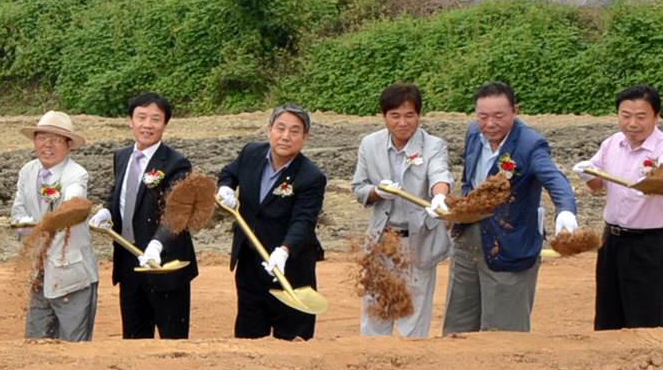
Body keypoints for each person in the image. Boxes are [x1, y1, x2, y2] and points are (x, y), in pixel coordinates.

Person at [445, 82, 578, 334]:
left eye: (499, 116)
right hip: (469, 237)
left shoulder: (530, 144)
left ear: (515, 111)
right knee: (458, 321)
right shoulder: (474, 133)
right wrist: (456, 207)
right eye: (483, 116)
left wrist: (566, 210)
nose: (490, 124)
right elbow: (469, 180)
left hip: (509, 240)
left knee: (503, 330)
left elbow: (554, 178)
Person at [576, 84, 663, 330]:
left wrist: (651, 183)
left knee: (645, 321)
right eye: (625, 116)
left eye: (641, 116)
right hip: (612, 242)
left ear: (656, 116)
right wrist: (585, 173)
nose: (632, 123)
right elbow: (597, 185)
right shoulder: (612, 143)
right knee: (608, 317)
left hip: (649, 245)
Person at [349, 84, 453, 339]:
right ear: (383, 116)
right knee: (376, 310)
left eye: (409, 115)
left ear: (419, 115)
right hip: (381, 242)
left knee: (414, 315)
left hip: (418, 242)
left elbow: (440, 174)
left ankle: (412, 369)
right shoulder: (370, 144)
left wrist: (440, 196)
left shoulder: (433, 146)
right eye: (395, 115)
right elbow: (359, 187)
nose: (402, 122)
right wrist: (377, 192)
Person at [215, 104, 327, 341]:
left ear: (306, 138)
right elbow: (229, 172)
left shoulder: (311, 177)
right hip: (250, 262)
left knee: (292, 340)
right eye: (281, 128)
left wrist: (285, 251)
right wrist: (225, 187)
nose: (286, 136)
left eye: (295, 131)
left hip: (290, 268)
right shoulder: (251, 153)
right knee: (249, 336)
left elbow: (303, 222)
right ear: (269, 130)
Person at [100, 92, 195, 340]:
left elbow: (178, 212)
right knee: (134, 337)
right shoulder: (121, 157)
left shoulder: (177, 163)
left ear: (165, 124)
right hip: (129, 262)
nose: (147, 125)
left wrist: (157, 244)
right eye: (141, 117)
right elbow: (118, 196)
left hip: (164, 265)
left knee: (172, 340)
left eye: (155, 119)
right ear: (130, 120)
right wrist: (105, 211)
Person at [12, 111, 98, 341]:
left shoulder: (76, 174)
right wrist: (26, 227)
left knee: (73, 346)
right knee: (35, 341)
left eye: (57, 139)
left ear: (69, 145)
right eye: (42, 138)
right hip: (40, 272)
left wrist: (66, 211)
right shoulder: (28, 171)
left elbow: (74, 201)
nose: (47, 145)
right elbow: (18, 210)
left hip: (72, 276)